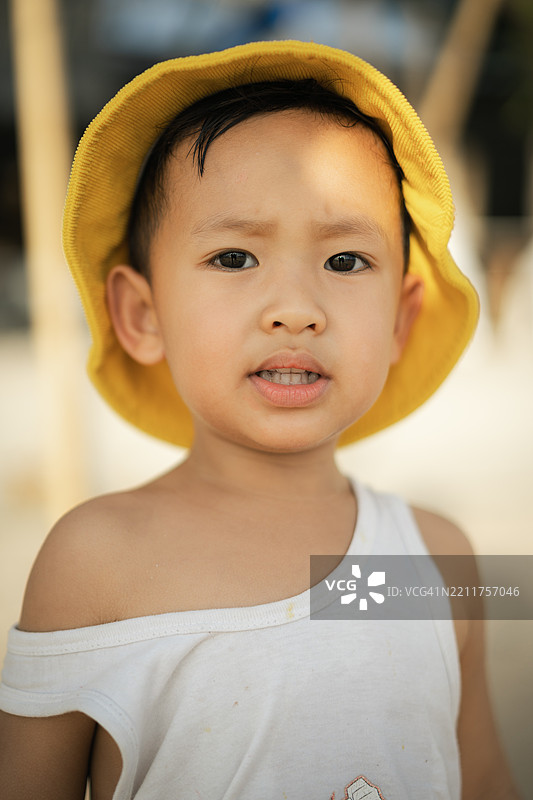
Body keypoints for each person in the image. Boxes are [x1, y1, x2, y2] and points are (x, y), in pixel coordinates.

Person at [0, 40, 521, 800]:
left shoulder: (433, 563)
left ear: (401, 320)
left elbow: (485, 780)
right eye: (235, 258)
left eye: (345, 262)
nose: (296, 310)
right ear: (142, 314)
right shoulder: (94, 562)